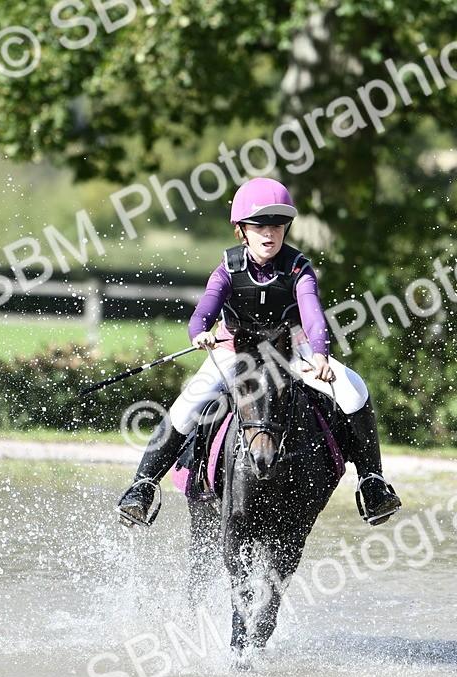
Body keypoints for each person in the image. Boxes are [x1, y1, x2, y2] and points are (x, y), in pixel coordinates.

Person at [116, 177, 402, 527]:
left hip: (291, 352)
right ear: (242, 230)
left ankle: (372, 482)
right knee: (188, 404)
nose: (269, 234)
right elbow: (203, 314)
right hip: (235, 352)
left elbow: (313, 316)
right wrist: (200, 334)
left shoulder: (299, 270)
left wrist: (320, 354)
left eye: (277, 226)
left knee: (354, 390)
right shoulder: (227, 269)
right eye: (260, 226)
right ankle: (143, 487)